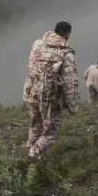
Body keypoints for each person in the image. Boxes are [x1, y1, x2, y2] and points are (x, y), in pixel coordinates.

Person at [23, 21, 79, 160]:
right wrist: (72, 105)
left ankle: (29, 148)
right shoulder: (66, 53)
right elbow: (69, 82)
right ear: (67, 35)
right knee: (51, 131)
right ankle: (33, 155)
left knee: (36, 124)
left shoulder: (38, 44)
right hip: (49, 97)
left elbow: (31, 65)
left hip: (32, 92)